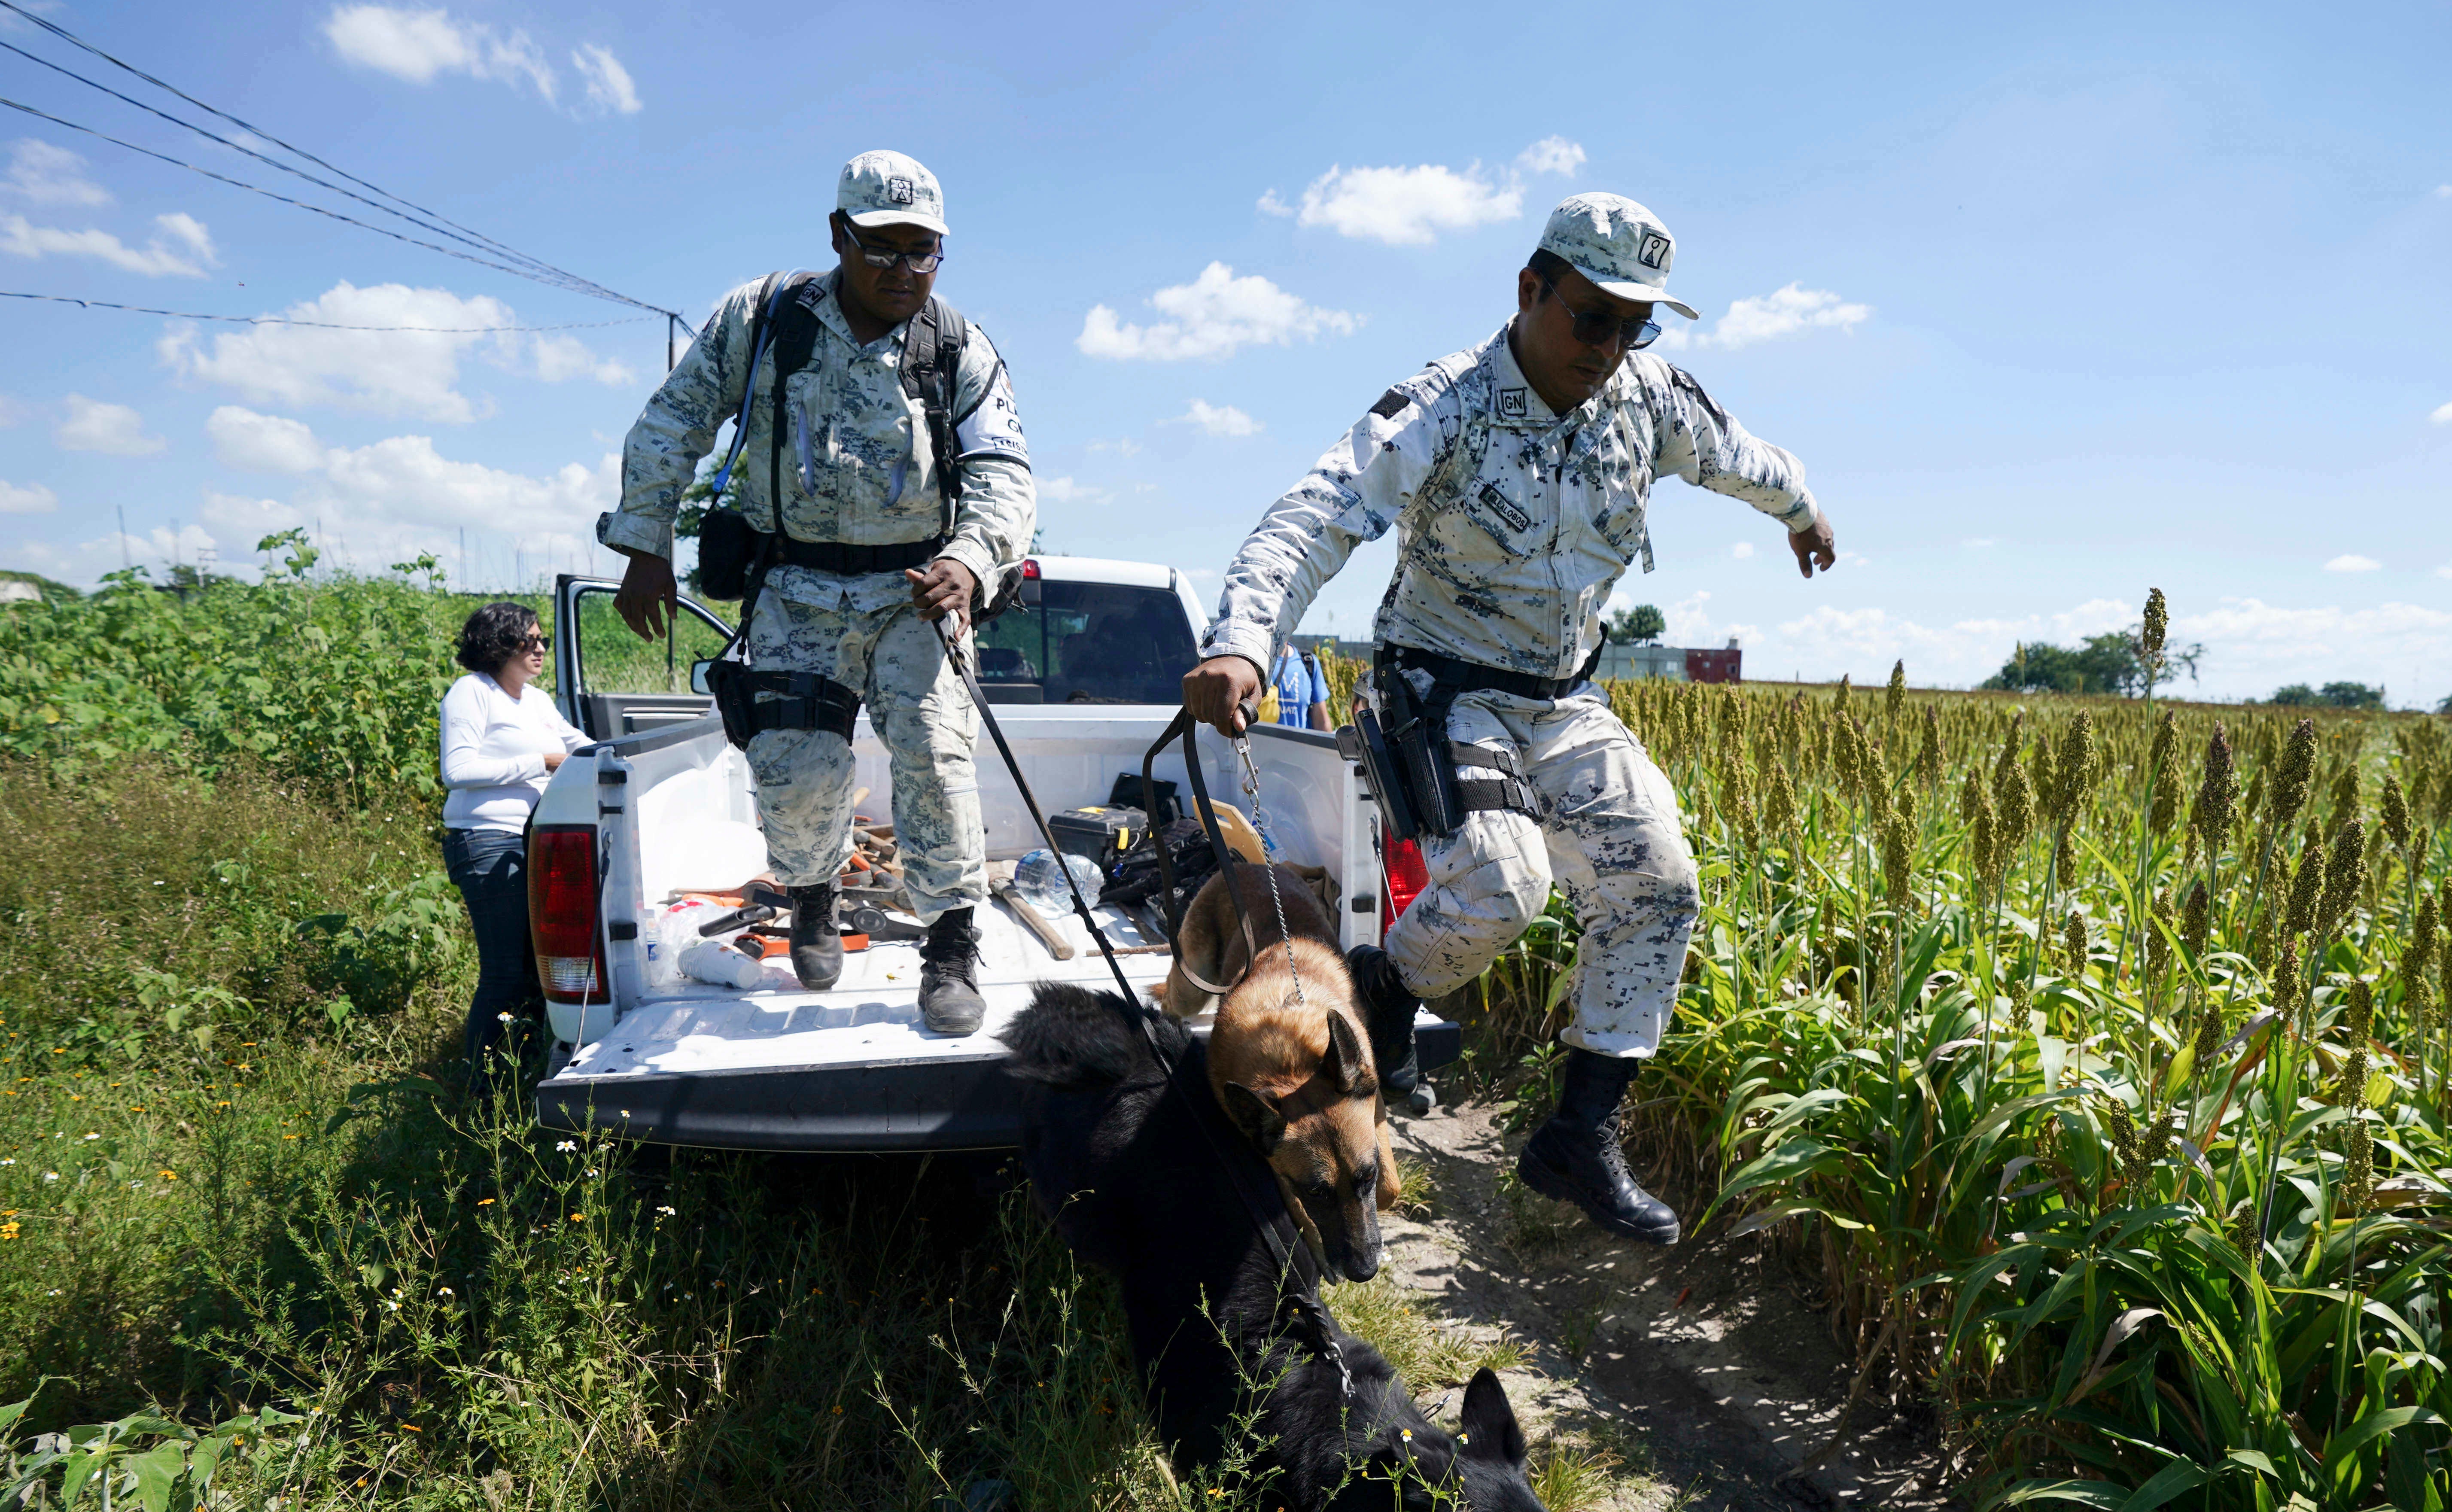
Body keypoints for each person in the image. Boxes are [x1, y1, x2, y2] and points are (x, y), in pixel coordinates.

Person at [1183, 193, 1837, 1246]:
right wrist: (1243, 638)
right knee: (1504, 879)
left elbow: (1740, 453)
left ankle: (1579, 1136)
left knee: (1660, 880)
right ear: (1531, 290)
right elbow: (1313, 516)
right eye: (1592, 319)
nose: (1612, 348)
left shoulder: (1650, 399)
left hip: (1562, 693)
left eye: (1637, 327)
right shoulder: (1447, 406)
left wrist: (1801, 509)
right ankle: (1388, 997)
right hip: (1441, 689)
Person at [597, 150, 1034, 1034]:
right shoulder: (764, 320)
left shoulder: (959, 346)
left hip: (919, 593)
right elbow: (677, 416)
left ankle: (949, 945)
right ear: (839, 236)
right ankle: (811, 893)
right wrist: (645, 540)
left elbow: (1004, 474)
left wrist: (974, 558)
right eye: (882, 249)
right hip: (793, 588)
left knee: (937, 759)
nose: (904, 270)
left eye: (924, 251)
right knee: (794, 779)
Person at [441, 602, 591, 1086]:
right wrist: (542, 761)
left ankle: (519, 1076)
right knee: (505, 973)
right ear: (501, 644)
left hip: (535, 842)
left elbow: (581, 746)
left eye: (544, 639)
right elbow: (458, 771)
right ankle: (479, 1093)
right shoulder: (472, 693)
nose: (542, 648)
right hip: (486, 842)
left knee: (534, 972)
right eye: (531, 640)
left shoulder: (537, 700)